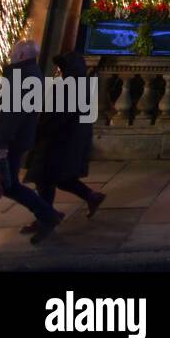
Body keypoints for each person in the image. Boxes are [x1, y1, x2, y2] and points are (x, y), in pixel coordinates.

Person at [24, 50, 106, 230]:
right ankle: (91, 196)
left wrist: (36, 132)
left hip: (56, 142)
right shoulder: (79, 86)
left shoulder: (68, 87)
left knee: (45, 179)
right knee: (59, 178)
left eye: (62, 67)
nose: (59, 70)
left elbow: (54, 117)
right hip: (66, 142)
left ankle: (46, 217)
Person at [0, 40, 62, 244]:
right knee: (9, 184)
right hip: (15, 139)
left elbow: (13, 115)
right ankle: (48, 214)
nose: (11, 55)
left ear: (23, 55)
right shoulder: (28, 74)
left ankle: (48, 215)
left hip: (9, 142)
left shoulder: (22, 76)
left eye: (14, 52)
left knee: (8, 184)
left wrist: (0, 144)